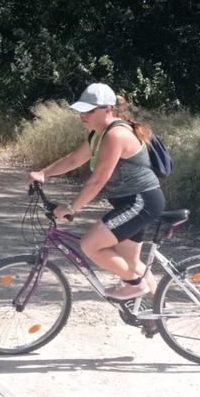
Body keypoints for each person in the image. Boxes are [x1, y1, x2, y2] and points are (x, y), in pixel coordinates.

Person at [27, 83, 165, 299]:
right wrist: (43, 173)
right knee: (132, 264)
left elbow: (99, 179)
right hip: (132, 202)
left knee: (90, 245)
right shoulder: (97, 134)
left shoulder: (115, 135)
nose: (83, 115)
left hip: (141, 201)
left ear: (108, 109)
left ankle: (135, 286)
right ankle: (158, 316)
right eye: (82, 110)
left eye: (90, 111)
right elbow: (74, 159)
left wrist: (72, 207)